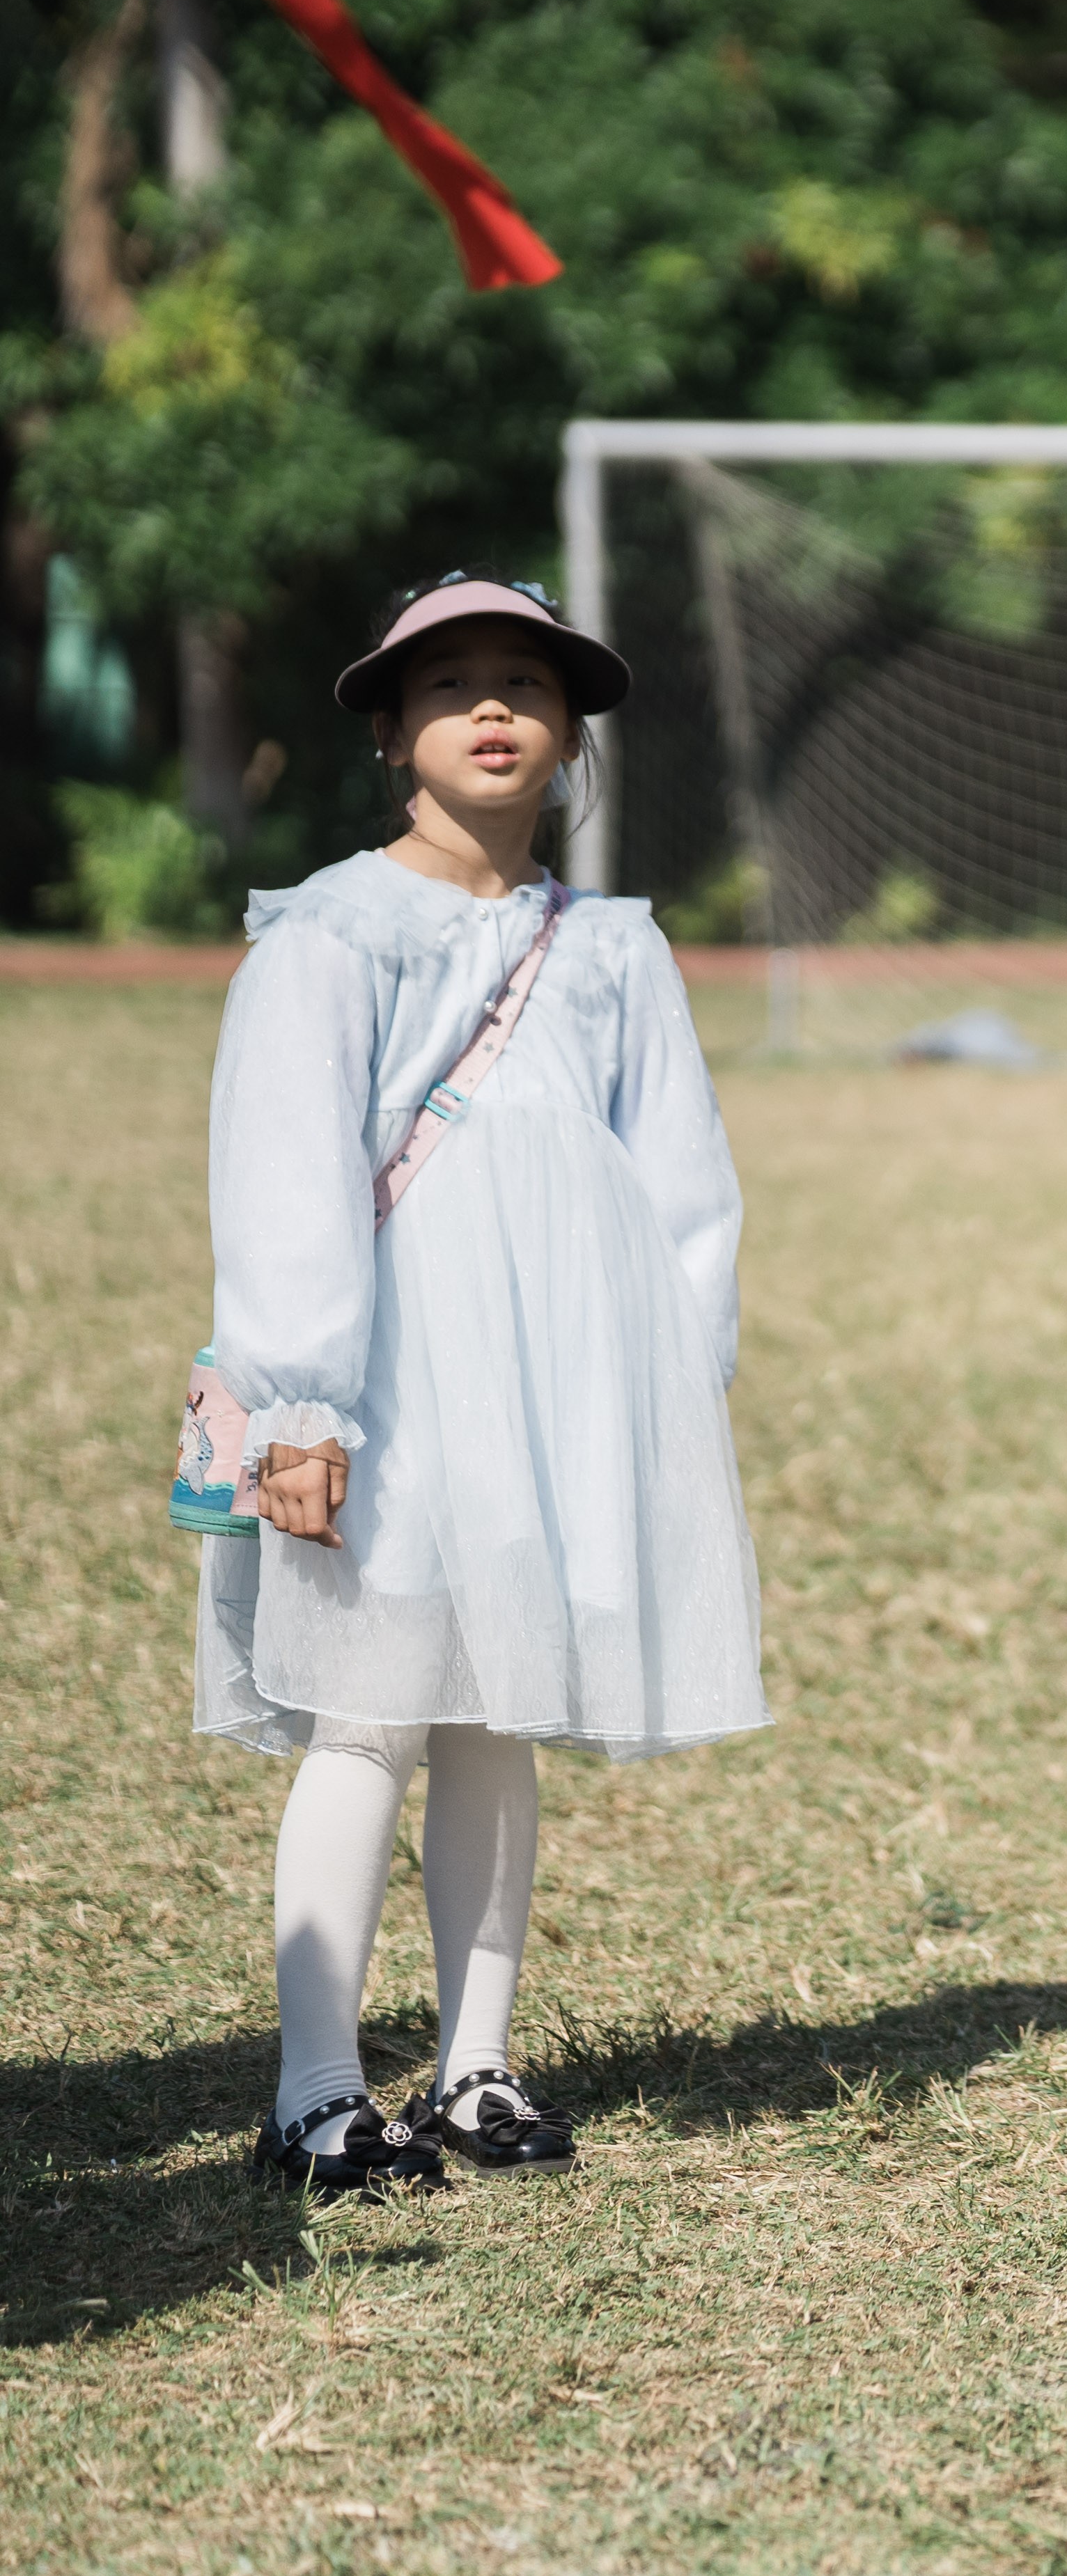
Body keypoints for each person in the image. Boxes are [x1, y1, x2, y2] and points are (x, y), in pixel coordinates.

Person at [203, 573, 764, 2195]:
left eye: (528, 680)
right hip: (385, 1391)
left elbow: (685, 1188)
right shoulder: (330, 933)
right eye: (450, 684)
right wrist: (302, 1406)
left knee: (496, 1710)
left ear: (574, 731)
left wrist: (674, 1389)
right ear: (392, 732)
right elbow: (288, 1176)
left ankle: (477, 2067)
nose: (495, 706)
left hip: (553, 1394)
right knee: (369, 1710)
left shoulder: (615, 948)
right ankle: (317, 2089)